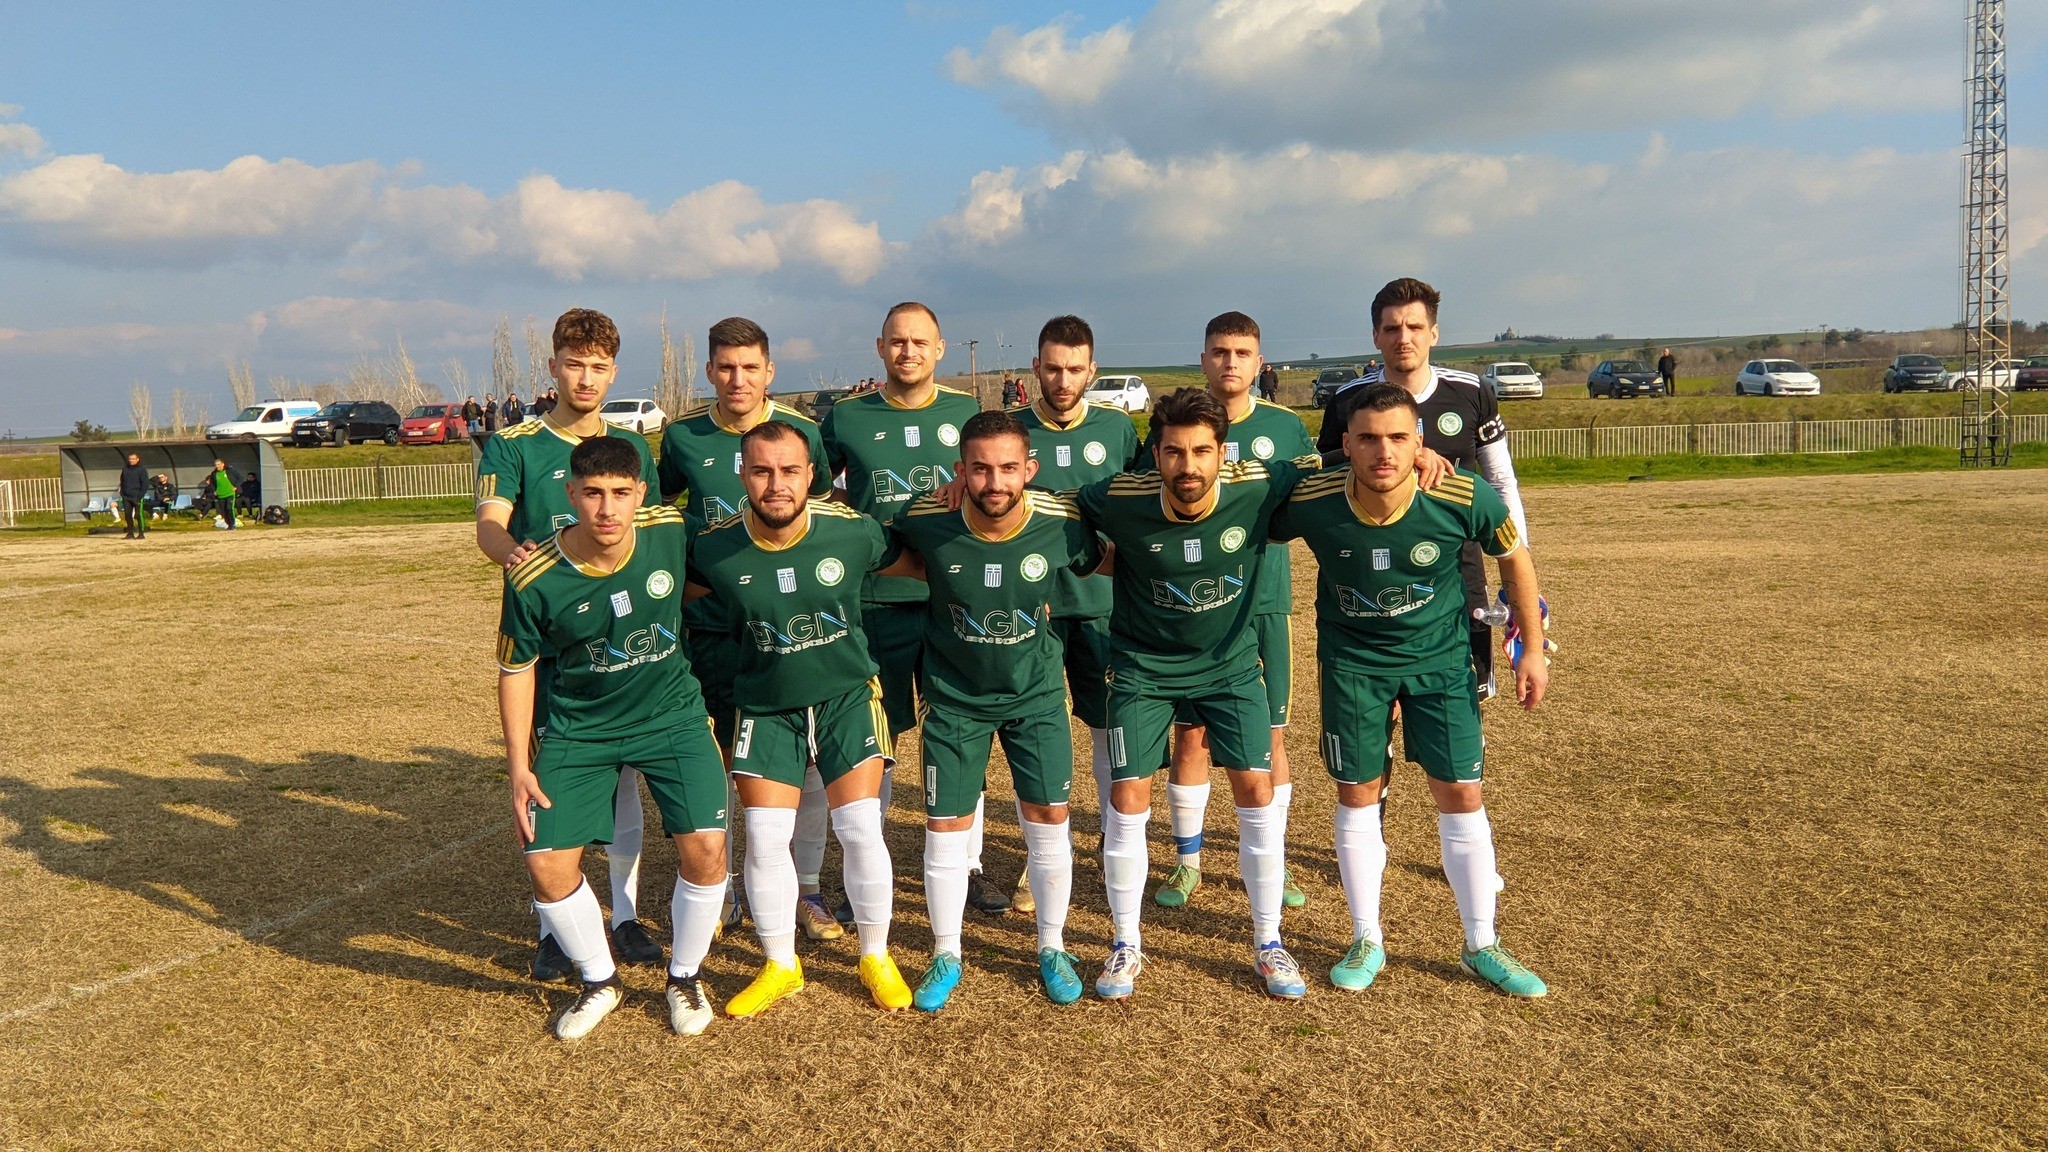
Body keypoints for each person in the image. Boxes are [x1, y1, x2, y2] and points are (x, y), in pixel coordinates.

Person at [1272, 382, 1550, 997]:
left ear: (1420, 441)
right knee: (1357, 793)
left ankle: (1482, 944)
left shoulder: (1460, 493)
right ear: (1346, 444)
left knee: (1461, 792)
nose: (1385, 452)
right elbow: (1238, 505)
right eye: (1368, 438)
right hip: (1353, 664)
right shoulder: (1313, 496)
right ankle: (1366, 938)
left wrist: (1530, 648)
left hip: (1440, 663)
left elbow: (1515, 560)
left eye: (1399, 437)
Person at [1073, 387, 1319, 1001]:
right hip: (1143, 669)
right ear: (1155, 455)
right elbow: (1060, 507)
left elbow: (1337, 467)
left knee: (1256, 789)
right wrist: (1101, 558)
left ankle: (1269, 941)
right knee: (1127, 795)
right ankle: (1125, 943)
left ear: (1222, 453)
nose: (1189, 466)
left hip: (1230, 668)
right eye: (1175, 452)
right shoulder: (1120, 496)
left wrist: (1424, 456)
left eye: (1202, 451)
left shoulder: (1258, 483)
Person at [683, 421, 920, 1017]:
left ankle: (875, 954)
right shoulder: (713, 548)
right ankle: (780, 965)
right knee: (766, 838)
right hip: (764, 705)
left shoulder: (853, 531)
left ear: (812, 474)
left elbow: (923, 563)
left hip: (847, 698)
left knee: (860, 827)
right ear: (742, 475)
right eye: (762, 471)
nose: (776, 484)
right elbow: (661, 590)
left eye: (790, 470)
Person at [499, 436, 732, 1039]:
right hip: (581, 727)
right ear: (570, 493)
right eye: (593, 493)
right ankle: (599, 980)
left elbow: (746, 543)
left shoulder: (670, 530)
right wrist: (518, 766)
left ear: (641, 494)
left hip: (672, 717)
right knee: (546, 864)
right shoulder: (531, 575)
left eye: (621, 493)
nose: (607, 509)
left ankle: (684, 977)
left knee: (707, 850)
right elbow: (516, 669)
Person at [887, 411, 1104, 1010]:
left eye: (1008, 468)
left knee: (1049, 816)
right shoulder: (925, 517)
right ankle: (946, 953)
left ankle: (1052, 946)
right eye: (980, 469)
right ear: (960, 471)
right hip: (955, 699)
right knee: (945, 826)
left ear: (1030, 469)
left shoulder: (1062, 521)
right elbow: (893, 550)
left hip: (1036, 696)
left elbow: (1102, 559)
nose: (995, 482)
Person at [476, 308, 663, 984]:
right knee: (553, 783)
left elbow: (652, 531)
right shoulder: (514, 445)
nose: (586, 378)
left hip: (621, 641)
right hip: (554, 647)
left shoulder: (631, 447)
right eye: (574, 364)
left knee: (624, 780)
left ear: (613, 372)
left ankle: (625, 916)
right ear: (553, 366)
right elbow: (489, 525)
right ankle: (553, 928)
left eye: (599, 367)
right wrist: (516, 556)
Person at [657, 317, 834, 940]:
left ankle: (806, 888)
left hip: (788, 626)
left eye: (750, 367)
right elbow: (659, 513)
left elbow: (822, 509)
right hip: (712, 628)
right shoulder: (681, 437)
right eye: (726, 368)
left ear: (769, 371)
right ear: (709, 371)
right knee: (728, 762)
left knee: (806, 761)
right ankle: (727, 887)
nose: (738, 379)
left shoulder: (803, 431)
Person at [1138, 313, 1315, 913]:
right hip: (1193, 607)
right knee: (1190, 734)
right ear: (1204, 359)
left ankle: (1272, 862)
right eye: (1219, 351)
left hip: (1263, 602)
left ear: (1260, 362)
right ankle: (1188, 862)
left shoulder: (1285, 428)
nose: (1230, 362)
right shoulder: (1174, 429)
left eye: (1242, 352)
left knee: (1270, 735)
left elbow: (1322, 494)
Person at [817, 303, 987, 896]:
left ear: (939, 349)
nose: (907, 351)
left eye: (919, 342)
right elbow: (815, 491)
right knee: (876, 738)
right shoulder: (846, 417)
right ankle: (873, 867)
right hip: (875, 599)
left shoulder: (967, 413)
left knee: (961, 729)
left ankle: (970, 864)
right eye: (897, 341)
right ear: (880, 347)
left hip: (952, 596)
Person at [1319, 278, 1530, 702]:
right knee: (1377, 707)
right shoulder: (1347, 400)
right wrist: (1410, 457)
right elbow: (1325, 473)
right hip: (1371, 572)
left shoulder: (1472, 392)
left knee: (1460, 698)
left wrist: (1518, 560)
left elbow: (1500, 480)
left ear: (1433, 333)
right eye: (1392, 328)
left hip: (1458, 567)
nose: (1404, 338)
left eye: (1415, 327)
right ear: (1376, 336)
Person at [1008, 314, 1139, 900]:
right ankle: (1039, 854)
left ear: (1092, 370)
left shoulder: (1117, 430)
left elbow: (1142, 504)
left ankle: (1113, 839)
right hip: (1025, 608)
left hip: (1099, 604)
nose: (1063, 380)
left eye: (1075, 369)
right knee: (1034, 733)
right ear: (1036, 367)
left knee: (1108, 725)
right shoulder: (1009, 429)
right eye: (1053, 368)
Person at [119, 452, 149, 539]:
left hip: (137, 496)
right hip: (126, 496)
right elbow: (122, 481)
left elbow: (145, 484)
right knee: (128, 515)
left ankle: (141, 533)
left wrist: (140, 496)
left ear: (137, 459)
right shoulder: (125, 469)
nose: (131, 460)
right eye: (130, 459)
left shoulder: (142, 469)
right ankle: (130, 533)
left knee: (138, 515)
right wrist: (122, 493)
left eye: (133, 459)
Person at [209, 459, 239, 530]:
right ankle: (228, 525)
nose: (217, 466)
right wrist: (214, 491)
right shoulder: (214, 474)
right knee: (224, 511)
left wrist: (236, 486)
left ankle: (232, 524)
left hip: (230, 493)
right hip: (220, 495)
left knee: (229, 508)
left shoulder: (229, 471)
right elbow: (212, 484)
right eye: (216, 465)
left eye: (218, 464)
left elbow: (240, 478)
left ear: (223, 464)